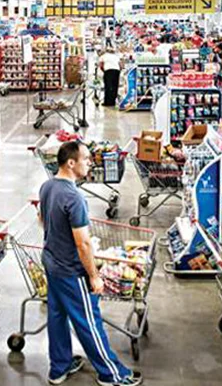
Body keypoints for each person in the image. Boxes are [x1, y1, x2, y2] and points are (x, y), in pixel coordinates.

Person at [40, 141, 142, 386]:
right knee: (88, 321)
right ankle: (112, 374)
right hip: (71, 270)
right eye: (86, 159)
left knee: (57, 317)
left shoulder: (47, 186)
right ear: (71, 163)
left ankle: (59, 368)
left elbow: (43, 219)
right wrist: (94, 275)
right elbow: (83, 244)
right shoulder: (74, 197)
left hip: (52, 263)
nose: (90, 163)